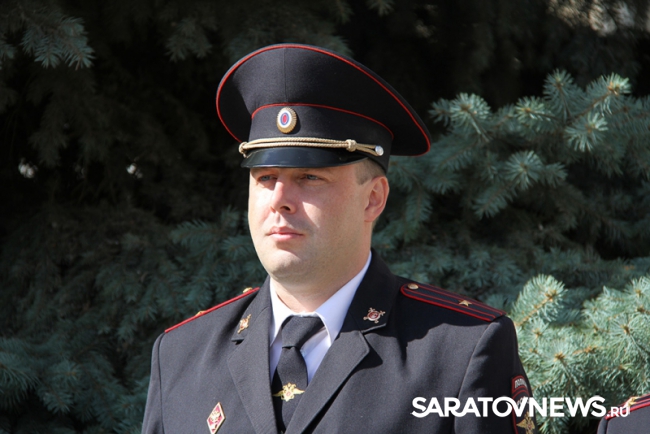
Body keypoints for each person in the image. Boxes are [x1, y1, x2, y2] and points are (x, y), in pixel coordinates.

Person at [142, 43, 537, 434]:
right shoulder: (181, 355)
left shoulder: (459, 351)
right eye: (265, 178)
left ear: (373, 198)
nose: (279, 199)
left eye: (310, 177)